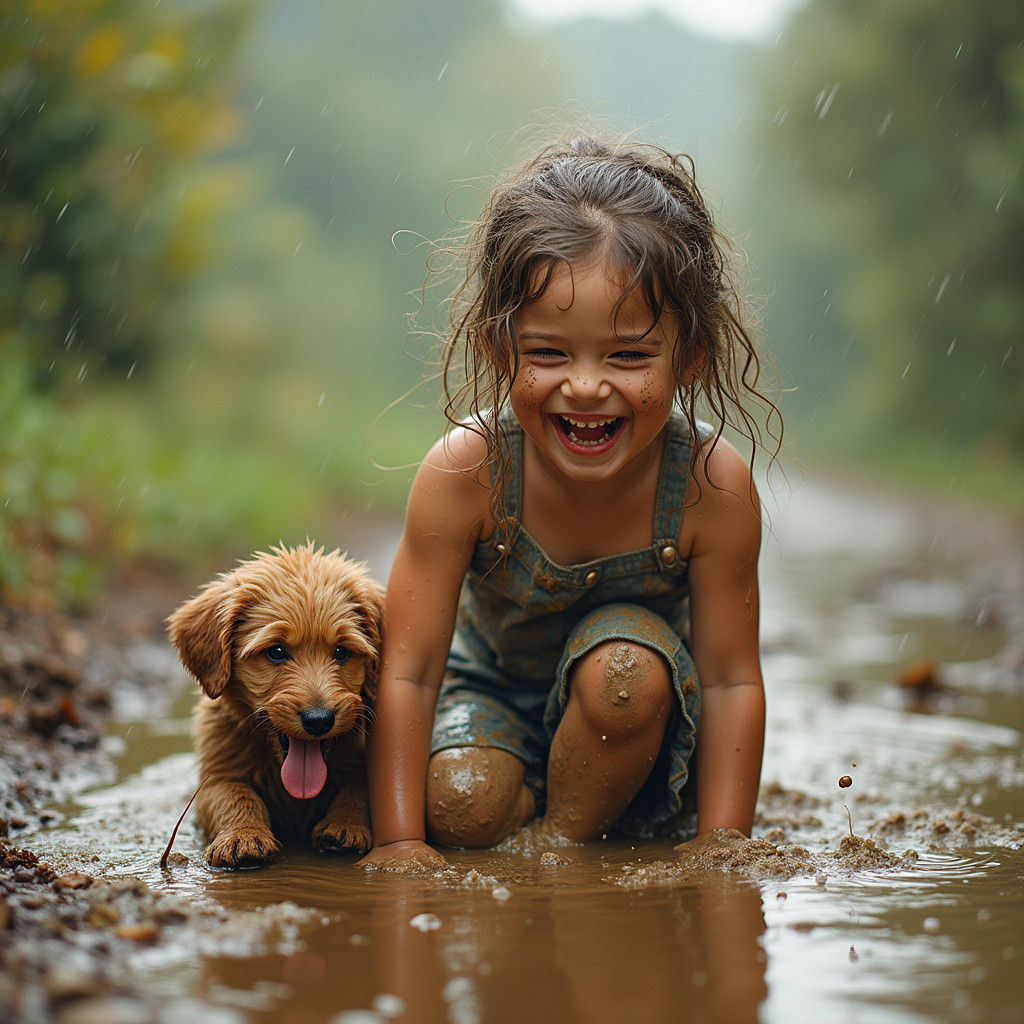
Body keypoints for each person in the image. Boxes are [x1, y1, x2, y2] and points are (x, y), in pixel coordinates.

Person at [359, 136, 779, 869]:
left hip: (639, 724)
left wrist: (723, 843)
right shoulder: (468, 473)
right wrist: (399, 842)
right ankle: (529, 813)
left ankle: (560, 851)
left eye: (627, 356)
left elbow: (730, 677)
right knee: (461, 805)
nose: (586, 386)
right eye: (549, 353)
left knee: (626, 674)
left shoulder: (712, 485)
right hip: (488, 701)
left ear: (691, 357)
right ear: (500, 349)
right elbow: (410, 670)